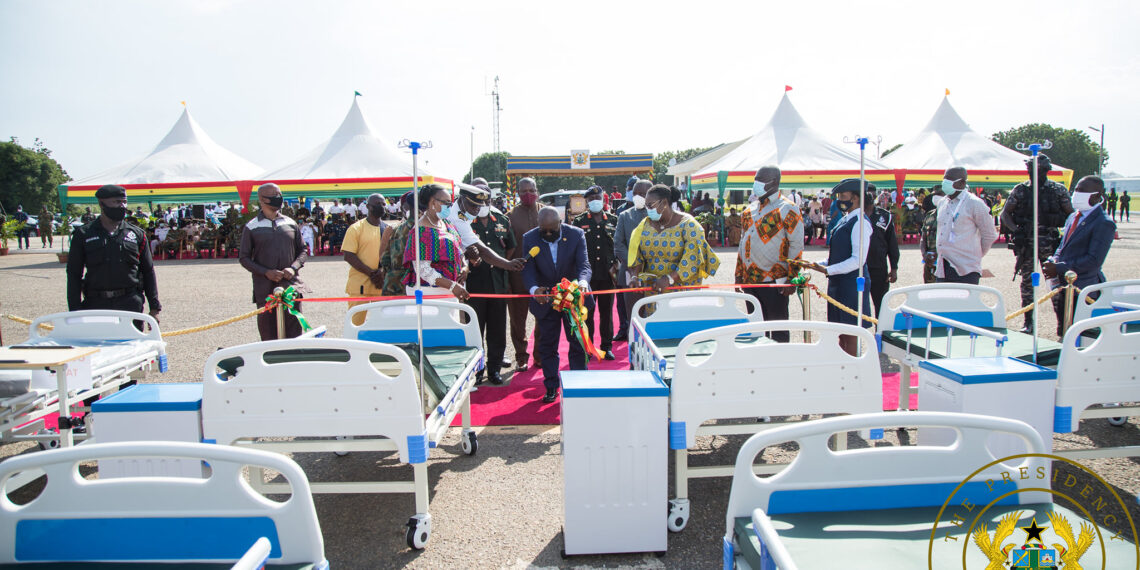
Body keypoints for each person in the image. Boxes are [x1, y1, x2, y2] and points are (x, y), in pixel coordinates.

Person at [522, 207, 592, 404]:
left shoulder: (576, 234)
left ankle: (579, 385)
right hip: (545, 300)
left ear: (560, 223)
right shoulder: (530, 238)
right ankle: (551, 386)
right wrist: (534, 289)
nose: (548, 234)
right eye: (543, 230)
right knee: (547, 345)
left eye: (552, 230)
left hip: (572, 297)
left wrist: (582, 283)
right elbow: (528, 270)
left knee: (577, 343)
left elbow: (584, 265)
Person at [66, 185, 161, 322]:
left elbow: (148, 271)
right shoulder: (84, 234)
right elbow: (74, 273)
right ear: (101, 203)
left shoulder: (136, 234)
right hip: (96, 304)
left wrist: (154, 308)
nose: (122, 206)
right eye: (116, 202)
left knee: (132, 343)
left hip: (130, 303)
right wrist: (74, 311)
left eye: (124, 202)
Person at [1000, 154, 1073, 332]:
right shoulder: (1020, 189)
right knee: (1027, 284)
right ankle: (1029, 322)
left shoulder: (1058, 190)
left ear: (1047, 170)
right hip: (1027, 243)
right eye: (1032, 170)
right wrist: (1016, 231)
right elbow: (1005, 214)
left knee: (1056, 283)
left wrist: (1057, 222)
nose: (1036, 173)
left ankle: (1062, 323)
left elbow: (1071, 215)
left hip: (1050, 243)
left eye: (1040, 170)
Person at [803, 179, 873, 356]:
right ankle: (843, 368)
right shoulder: (846, 219)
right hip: (838, 284)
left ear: (856, 198)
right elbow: (838, 255)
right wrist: (817, 265)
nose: (840, 200)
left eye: (844, 196)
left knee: (850, 334)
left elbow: (858, 260)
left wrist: (828, 270)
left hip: (851, 285)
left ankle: (851, 371)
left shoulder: (860, 222)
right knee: (840, 332)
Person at [734, 166, 802, 342]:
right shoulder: (749, 210)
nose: (755, 183)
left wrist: (792, 278)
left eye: (760, 179)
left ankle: (779, 364)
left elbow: (796, 245)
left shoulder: (788, 209)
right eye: (755, 179)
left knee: (777, 328)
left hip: (775, 280)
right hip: (750, 280)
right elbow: (743, 243)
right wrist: (738, 274)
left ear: (773, 182)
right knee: (756, 329)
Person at [1043, 176, 1116, 336]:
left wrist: (1060, 268)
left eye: (1082, 191)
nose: (1076, 194)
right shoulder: (1073, 217)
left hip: (1083, 289)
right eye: (1076, 190)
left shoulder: (1104, 223)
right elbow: (1062, 247)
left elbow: (1093, 261)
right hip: (1062, 285)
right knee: (1063, 331)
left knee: (1080, 335)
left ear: (1097, 196)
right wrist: (1053, 261)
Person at [239, 183, 310, 341]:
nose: (279, 198)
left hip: (291, 286)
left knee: (294, 330)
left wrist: (293, 267)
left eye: (279, 194)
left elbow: (303, 250)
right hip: (265, 289)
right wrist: (266, 272)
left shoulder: (290, 223)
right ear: (262, 200)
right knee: (268, 332)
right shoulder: (252, 227)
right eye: (274, 195)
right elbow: (244, 258)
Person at [629, 184, 720, 294]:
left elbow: (693, 256)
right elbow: (637, 255)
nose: (647, 209)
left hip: (681, 292)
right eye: (646, 206)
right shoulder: (645, 225)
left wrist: (669, 278)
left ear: (664, 203)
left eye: (650, 206)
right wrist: (634, 276)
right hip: (653, 291)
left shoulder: (688, 224)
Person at [467, 194, 517, 384]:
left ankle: (494, 368)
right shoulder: (465, 222)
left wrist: (500, 263)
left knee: (497, 329)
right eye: (478, 201)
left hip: (498, 284)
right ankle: (477, 370)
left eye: (486, 200)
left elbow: (510, 247)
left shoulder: (503, 220)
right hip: (474, 285)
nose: (483, 205)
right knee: (475, 330)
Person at [403, 183, 470, 301]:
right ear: (433, 203)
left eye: (451, 203)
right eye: (446, 203)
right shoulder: (420, 231)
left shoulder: (447, 224)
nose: (450, 206)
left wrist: (465, 266)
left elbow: (459, 249)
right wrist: (452, 286)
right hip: (430, 292)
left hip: (451, 290)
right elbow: (423, 269)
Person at [572, 186, 618, 359]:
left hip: (608, 274)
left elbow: (619, 244)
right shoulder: (579, 221)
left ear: (603, 198)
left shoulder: (614, 219)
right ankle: (589, 347)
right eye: (590, 199)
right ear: (587, 202)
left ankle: (607, 347)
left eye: (597, 197)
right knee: (587, 312)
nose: (594, 201)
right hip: (587, 276)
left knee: (606, 313)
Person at [934, 168, 998, 285]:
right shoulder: (942, 203)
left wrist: (975, 255)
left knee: (965, 303)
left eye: (949, 180)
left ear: (962, 183)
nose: (945, 182)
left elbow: (989, 235)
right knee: (943, 302)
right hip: (943, 268)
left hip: (966, 269)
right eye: (944, 179)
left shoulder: (974, 203)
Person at [508, 177, 543, 370]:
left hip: (542, 275)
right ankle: (521, 356)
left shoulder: (545, 212)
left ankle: (539, 355)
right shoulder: (510, 215)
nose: (527, 194)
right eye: (523, 191)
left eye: (531, 190)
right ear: (518, 194)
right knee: (517, 320)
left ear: (537, 190)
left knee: (542, 317)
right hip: (518, 275)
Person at [342, 193, 392, 326]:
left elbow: (392, 255)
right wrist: (371, 273)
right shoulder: (356, 228)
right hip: (359, 287)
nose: (381, 207)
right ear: (368, 206)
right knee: (355, 325)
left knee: (381, 326)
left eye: (383, 204)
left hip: (381, 286)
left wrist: (381, 272)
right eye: (377, 204)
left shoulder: (387, 229)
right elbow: (349, 255)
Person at [612, 179, 652, 341]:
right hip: (629, 272)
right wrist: (634, 264)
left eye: (642, 194)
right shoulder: (624, 216)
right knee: (633, 314)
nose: (638, 197)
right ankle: (634, 348)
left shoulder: (658, 216)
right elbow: (618, 243)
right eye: (635, 193)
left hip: (654, 272)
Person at [864, 186, 900, 318]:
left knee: (880, 304)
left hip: (878, 267)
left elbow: (892, 244)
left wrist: (894, 267)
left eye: (871, 193)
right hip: (858, 267)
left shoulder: (885, 216)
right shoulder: (855, 214)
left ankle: (880, 333)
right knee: (859, 305)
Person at [380, 192, 415, 295]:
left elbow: (384, 259)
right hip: (402, 286)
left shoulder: (397, 229)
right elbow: (383, 258)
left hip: (394, 285)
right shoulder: (392, 229)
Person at [919, 190, 941, 284]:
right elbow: (923, 237)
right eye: (934, 195)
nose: (936, 197)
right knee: (929, 292)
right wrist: (924, 254)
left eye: (939, 194)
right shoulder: (929, 215)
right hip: (929, 262)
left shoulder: (953, 215)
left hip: (945, 263)